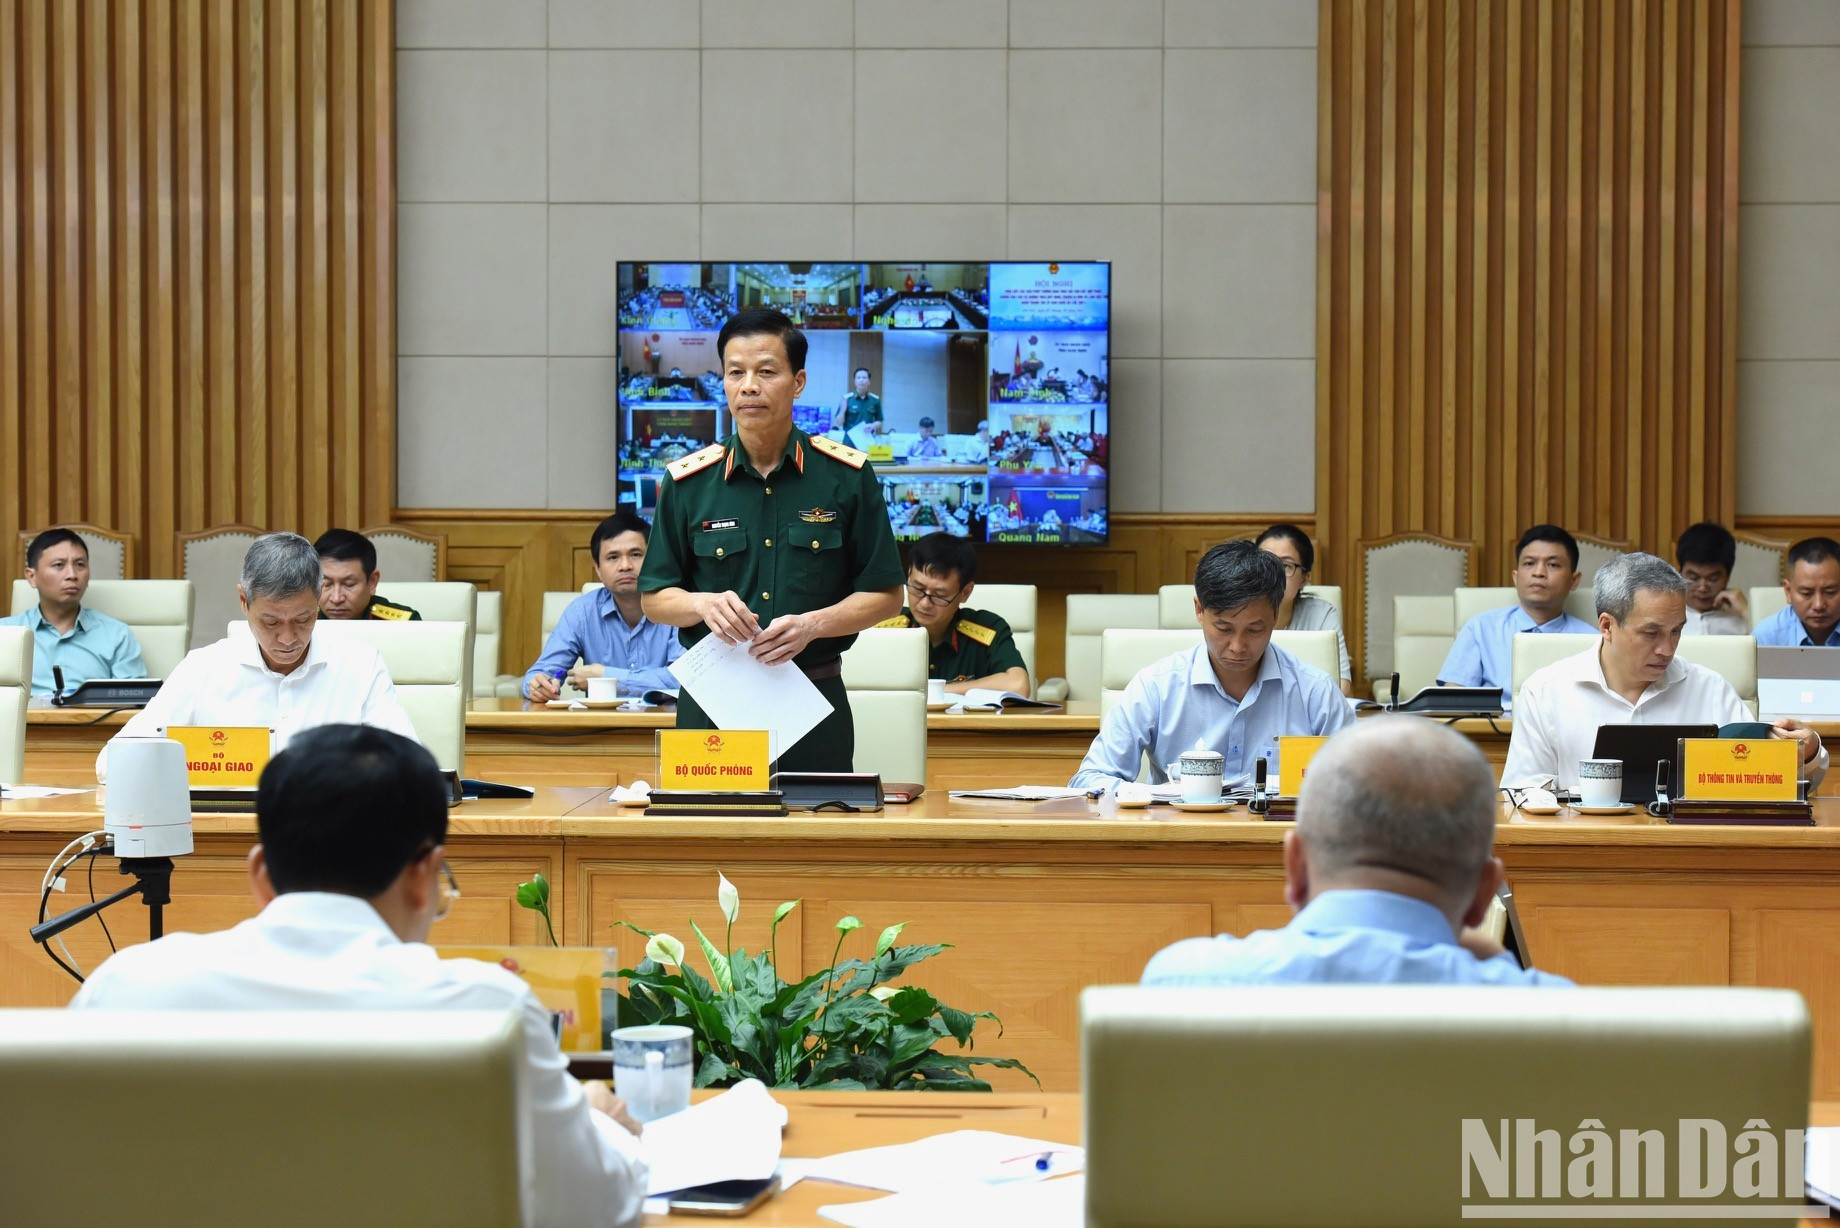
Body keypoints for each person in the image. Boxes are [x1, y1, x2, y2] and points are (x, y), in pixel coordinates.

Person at [71, 725, 648, 1228]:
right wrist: (600, 1123)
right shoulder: (486, 1015)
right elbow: (596, 1209)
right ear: (423, 877)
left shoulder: (124, 988)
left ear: (261, 874)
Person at [640, 308, 904, 772]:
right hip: (712, 707)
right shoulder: (688, 482)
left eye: (766, 372)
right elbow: (655, 599)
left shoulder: (847, 476)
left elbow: (886, 596)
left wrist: (814, 625)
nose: (748, 386)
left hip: (813, 702)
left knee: (816, 822)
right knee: (706, 821)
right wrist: (702, 604)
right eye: (735, 373)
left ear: (798, 382)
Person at [1142, 718, 1570, 987]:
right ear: (1485, 891)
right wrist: (1500, 968)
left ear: (1295, 866)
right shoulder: (1556, 1017)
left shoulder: (1180, 982)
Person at [100, 533, 417, 779]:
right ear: (243, 601)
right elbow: (113, 761)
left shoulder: (360, 666)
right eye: (271, 622)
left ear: (317, 598)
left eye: (303, 619)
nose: (288, 639)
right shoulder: (203, 669)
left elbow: (410, 766)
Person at [1502, 552, 1826, 790]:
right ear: (1607, 626)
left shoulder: (1709, 689)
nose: (1667, 649)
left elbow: (1767, 780)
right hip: (1584, 850)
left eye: (1676, 631)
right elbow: (1522, 794)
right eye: (1651, 633)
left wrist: (1808, 753)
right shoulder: (1545, 691)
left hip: (1689, 850)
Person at [1070, 540, 1353, 791]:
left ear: (1276, 614)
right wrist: (1149, 795)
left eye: (1254, 630)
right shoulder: (1156, 686)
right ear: (1199, 610)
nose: (1238, 646)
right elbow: (1091, 779)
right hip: (1176, 831)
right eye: (1224, 628)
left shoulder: (1315, 692)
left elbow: (1359, 785)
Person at [524, 511, 683, 702]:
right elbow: (542, 672)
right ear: (598, 569)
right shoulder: (582, 612)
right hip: (602, 720)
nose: (625, 566)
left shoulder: (677, 607)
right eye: (613, 557)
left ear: (653, 561)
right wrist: (537, 685)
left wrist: (606, 676)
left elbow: (683, 680)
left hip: (666, 719)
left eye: (635, 554)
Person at [1439, 525, 1595, 706]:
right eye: (1529, 563)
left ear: (1574, 581)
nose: (1539, 573)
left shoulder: (1593, 641)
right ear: (1516, 577)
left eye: (1553, 565)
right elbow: (1453, 701)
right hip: (1494, 724)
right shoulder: (1481, 629)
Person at [875, 533, 1029, 696]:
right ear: (908, 575)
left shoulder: (988, 629)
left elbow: (1018, 685)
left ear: (965, 593)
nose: (925, 603)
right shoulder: (880, 627)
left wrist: (936, 692)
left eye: (939, 595)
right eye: (918, 588)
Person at [0, 528, 146, 697]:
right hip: (28, 715)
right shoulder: (6, 633)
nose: (72, 575)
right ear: (32, 577)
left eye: (80, 565)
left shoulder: (116, 634)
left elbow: (136, 699)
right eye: (59, 565)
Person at [1254, 523, 1351, 695]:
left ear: (1304, 579)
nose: (1273, 574)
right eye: (1265, 562)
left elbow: (1342, 686)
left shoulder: (1321, 614)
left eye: (1285, 566)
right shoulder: (1233, 611)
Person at [315, 529, 422, 621]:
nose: (336, 598)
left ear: (372, 582)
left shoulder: (405, 624)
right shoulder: (305, 618)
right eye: (326, 584)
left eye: (349, 584)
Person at [1753, 536, 1840, 648]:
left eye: (1830, 592)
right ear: (1788, 592)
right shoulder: (1767, 637)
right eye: (1806, 593)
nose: (1818, 605)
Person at [1675, 522, 1749, 635]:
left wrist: (1747, 612)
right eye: (1693, 578)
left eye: (1713, 579)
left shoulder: (1744, 620)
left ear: (1728, 576)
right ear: (1679, 573)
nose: (1702, 588)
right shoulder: (1664, 618)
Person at [831, 366, 886, 439]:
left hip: (867, 439)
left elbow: (879, 421)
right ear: (855, 381)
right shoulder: (847, 399)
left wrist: (873, 426)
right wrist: (842, 411)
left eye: (864, 378)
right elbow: (839, 423)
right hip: (849, 441)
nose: (861, 380)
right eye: (858, 378)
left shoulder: (875, 400)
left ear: (869, 381)